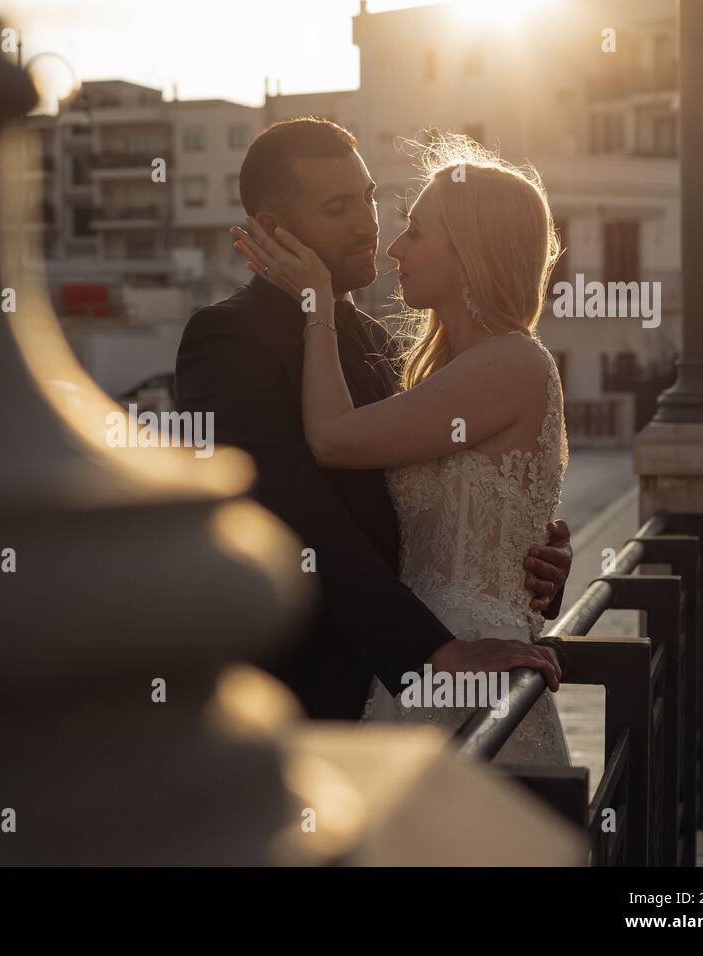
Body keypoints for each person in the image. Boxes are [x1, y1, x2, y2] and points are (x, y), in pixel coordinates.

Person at [176, 118, 572, 750]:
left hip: (416, 689)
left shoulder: (388, 347)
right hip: (309, 699)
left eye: (368, 198)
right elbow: (293, 516)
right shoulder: (226, 340)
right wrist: (431, 652)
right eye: (339, 208)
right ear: (274, 230)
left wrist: (529, 557)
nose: (370, 226)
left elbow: (444, 508)